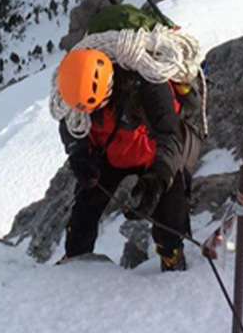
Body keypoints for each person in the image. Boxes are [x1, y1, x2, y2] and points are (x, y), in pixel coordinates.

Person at [55, 47, 200, 271]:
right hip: (110, 152)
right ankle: (76, 258)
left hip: (152, 154)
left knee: (170, 210)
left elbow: (171, 135)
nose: (89, 113)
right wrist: (79, 155)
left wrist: (159, 178)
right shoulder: (75, 93)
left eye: (95, 107)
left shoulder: (149, 83)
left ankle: (171, 254)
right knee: (85, 208)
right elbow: (70, 125)